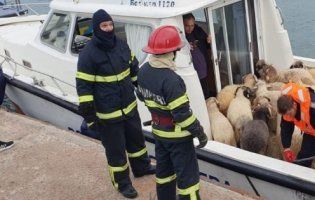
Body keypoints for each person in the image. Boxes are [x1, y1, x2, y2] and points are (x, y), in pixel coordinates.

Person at [75, 9, 155, 199]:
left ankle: (142, 167)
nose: (109, 28)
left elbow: (133, 70)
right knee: (116, 152)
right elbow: (84, 88)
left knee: (137, 142)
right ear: (96, 28)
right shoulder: (88, 55)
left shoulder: (122, 45)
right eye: (104, 26)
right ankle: (122, 183)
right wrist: (90, 117)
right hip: (108, 116)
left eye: (110, 24)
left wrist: (142, 90)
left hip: (129, 108)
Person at [137, 25, 208, 200]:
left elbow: (141, 96)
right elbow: (182, 115)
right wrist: (199, 132)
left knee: (164, 175)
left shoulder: (143, 71)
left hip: (159, 135)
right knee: (188, 181)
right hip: (179, 139)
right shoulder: (172, 80)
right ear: (172, 53)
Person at [277, 82, 315, 167]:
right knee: (303, 160)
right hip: (311, 132)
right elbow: (285, 128)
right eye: (286, 114)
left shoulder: (312, 107)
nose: (289, 116)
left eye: (290, 113)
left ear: (294, 105)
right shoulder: (287, 110)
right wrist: (286, 148)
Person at [183, 13, 214, 99]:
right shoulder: (180, 35)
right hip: (191, 71)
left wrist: (209, 41)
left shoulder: (198, 31)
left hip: (203, 69)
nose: (190, 28)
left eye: (192, 25)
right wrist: (185, 47)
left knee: (205, 92)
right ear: (182, 23)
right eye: (187, 26)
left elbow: (207, 45)